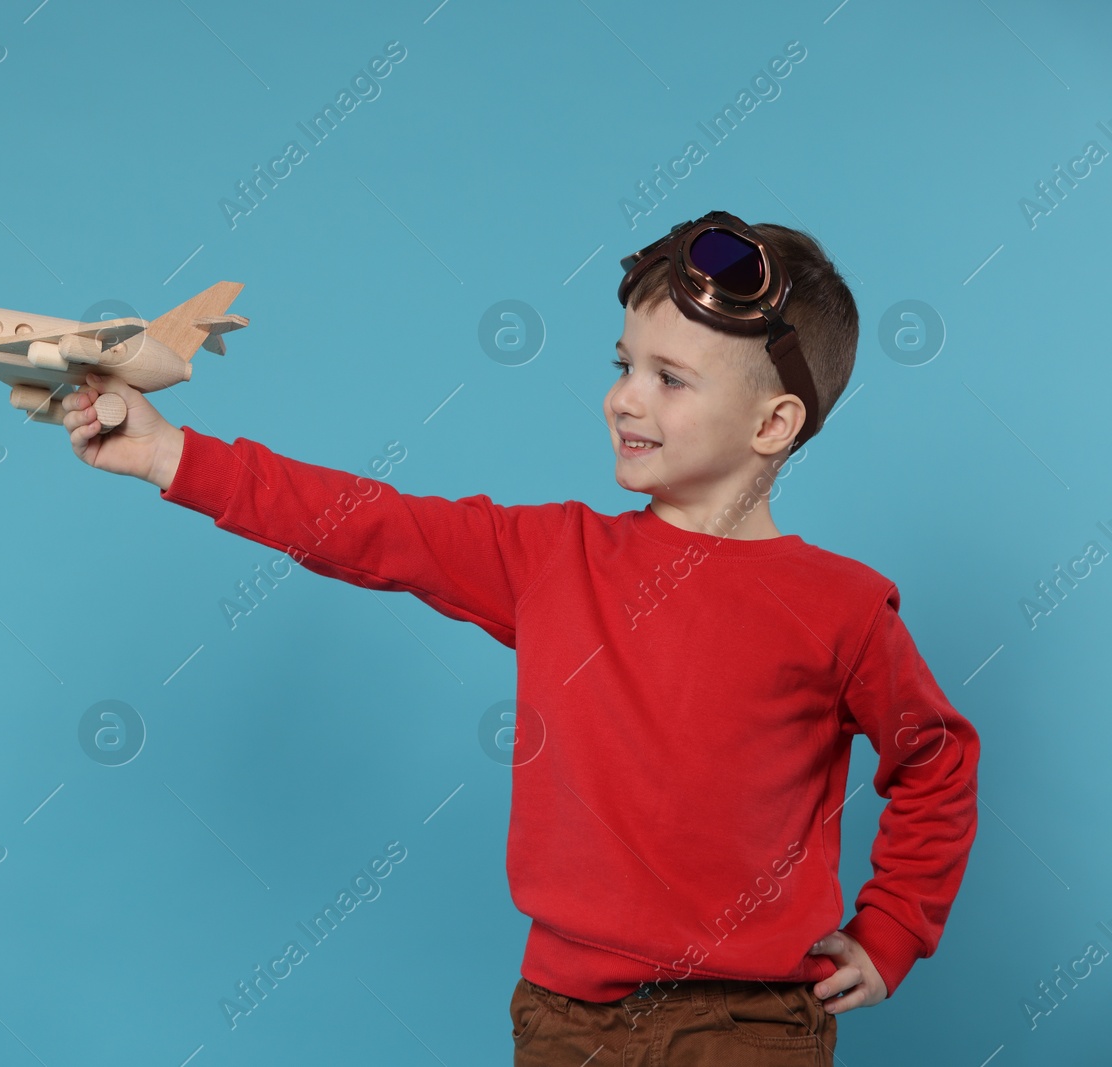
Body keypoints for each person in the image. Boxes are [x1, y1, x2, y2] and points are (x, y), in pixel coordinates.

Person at [59, 210, 980, 1065]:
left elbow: (938, 759)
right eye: (622, 364)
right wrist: (166, 454)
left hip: (752, 1021)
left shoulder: (843, 606)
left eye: (670, 379)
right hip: (564, 1017)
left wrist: (893, 927)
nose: (625, 398)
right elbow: (369, 524)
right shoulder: (554, 556)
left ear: (774, 423)